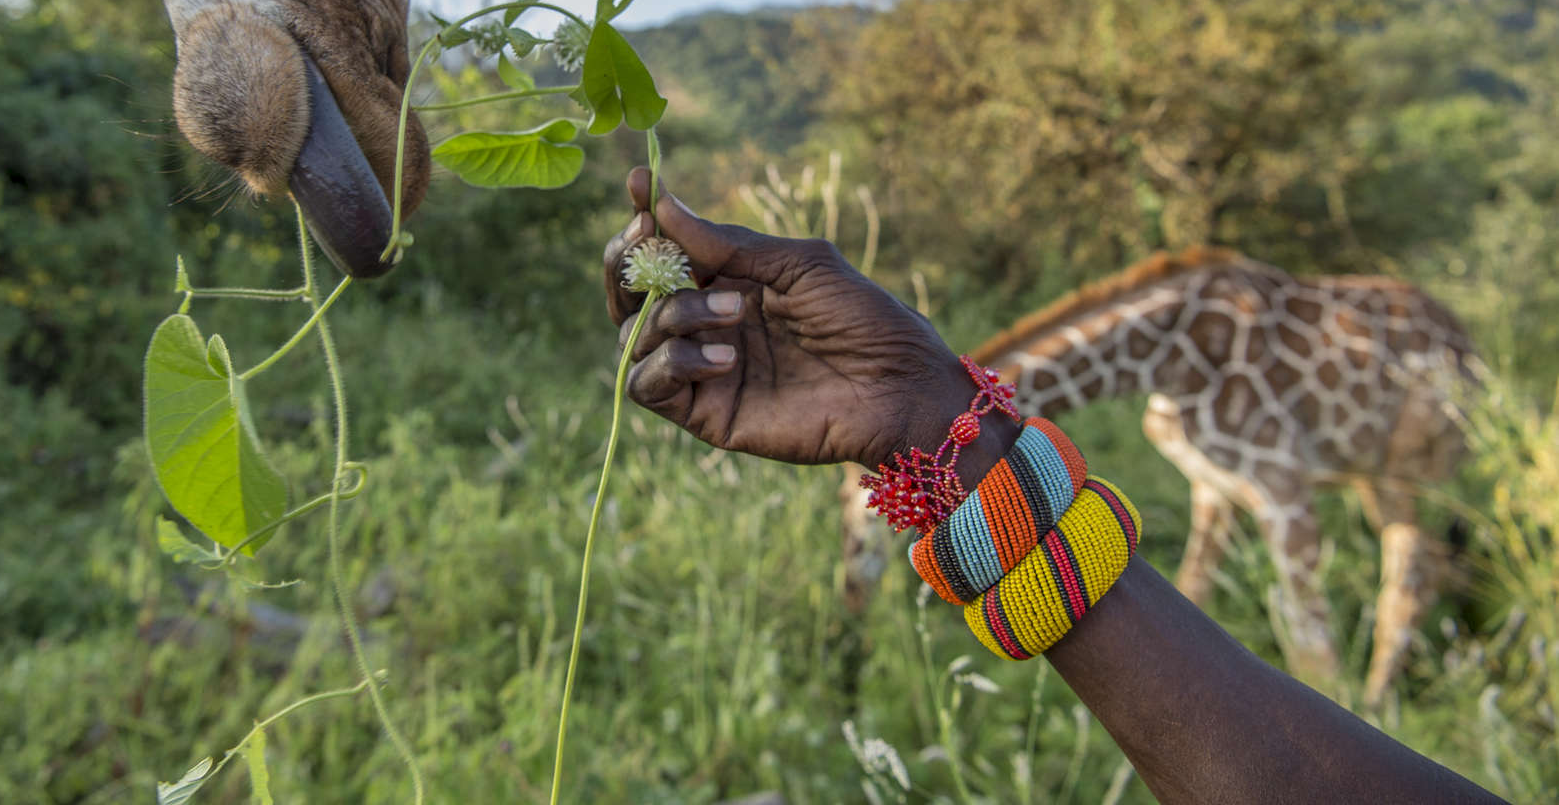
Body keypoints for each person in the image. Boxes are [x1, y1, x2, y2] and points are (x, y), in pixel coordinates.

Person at [601, 169, 1503, 805]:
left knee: (1401, 536)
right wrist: (924, 419)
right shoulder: (1175, 407)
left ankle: (1380, 687)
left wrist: (943, 430)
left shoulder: (1254, 371)